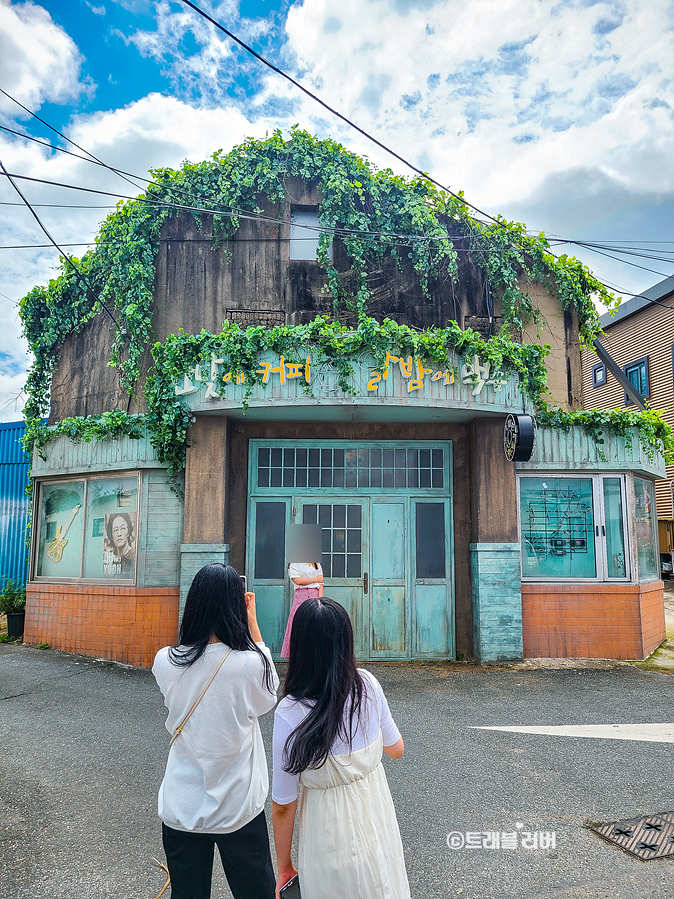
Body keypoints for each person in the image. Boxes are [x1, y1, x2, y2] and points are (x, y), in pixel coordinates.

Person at [153, 563, 280, 899]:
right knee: (257, 892)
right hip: (238, 807)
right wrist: (252, 623)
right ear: (235, 608)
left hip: (182, 806)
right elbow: (269, 693)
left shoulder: (165, 661)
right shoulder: (251, 665)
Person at [272, 597, 410, 899]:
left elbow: (283, 804)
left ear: (299, 647)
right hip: (376, 820)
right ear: (346, 642)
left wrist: (284, 867)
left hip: (326, 832)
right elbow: (396, 748)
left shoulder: (290, 711)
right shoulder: (368, 685)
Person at [280, 559, 323, 659]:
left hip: (314, 594)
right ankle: (296, 654)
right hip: (301, 594)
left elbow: (321, 583)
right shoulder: (294, 563)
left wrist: (320, 599)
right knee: (297, 622)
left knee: (315, 623)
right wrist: (316, 579)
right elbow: (297, 580)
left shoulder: (316, 563)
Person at [105, 512, 135, 577]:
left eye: (123, 528)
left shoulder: (133, 557)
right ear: (111, 536)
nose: (119, 534)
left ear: (128, 532)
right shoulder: (114, 561)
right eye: (115, 530)